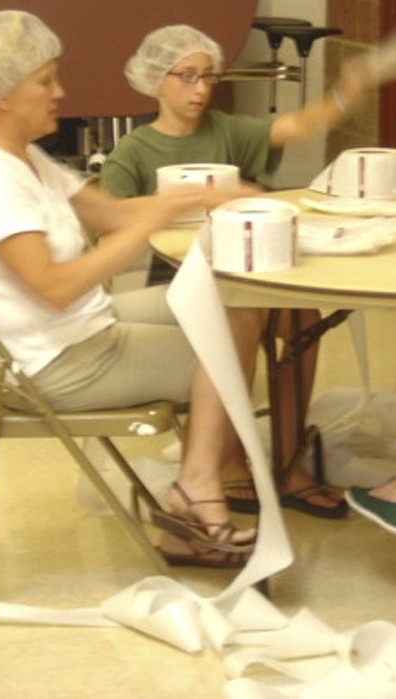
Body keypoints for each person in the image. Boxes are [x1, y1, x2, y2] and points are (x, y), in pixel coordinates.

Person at [0, 9, 283, 570]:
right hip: (52, 363)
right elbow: (54, 287)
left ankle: (195, 487)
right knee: (226, 337)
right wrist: (145, 228)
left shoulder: (21, 156)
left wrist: (200, 196)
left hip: (78, 329)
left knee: (236, 303)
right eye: (45, 81)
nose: (60, 92)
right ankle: (197, 488)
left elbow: (113, 212)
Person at [100, 24, 370, 519]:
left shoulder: (225, 130)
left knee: (303, 317)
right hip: (180, 285)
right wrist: (183, 200)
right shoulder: (135, 151)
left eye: (208, 77)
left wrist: (344, 94)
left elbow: (297, 125)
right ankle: (225, 462)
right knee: (239, 314)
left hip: (245, 274)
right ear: (156, 80)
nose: (201, 89)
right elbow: (106, 223)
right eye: (187, 76)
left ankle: (289, 462)